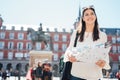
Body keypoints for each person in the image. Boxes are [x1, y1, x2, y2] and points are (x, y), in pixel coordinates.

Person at [63, 5, 111, 80]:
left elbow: (105, 53)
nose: (90, 16)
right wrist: (69, 55)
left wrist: (104, 62)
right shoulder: (76, 33)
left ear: (95, 16)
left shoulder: (102, 35)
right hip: (76, 75)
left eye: (92, 13)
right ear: (83, 18)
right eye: (87, 14)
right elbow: (70, 48)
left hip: (94, 75)